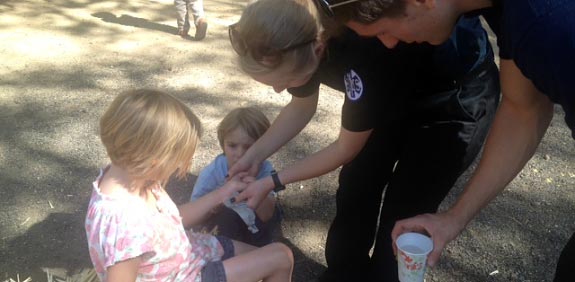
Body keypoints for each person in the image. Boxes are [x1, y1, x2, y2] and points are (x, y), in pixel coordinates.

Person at [227, 0, 500, 280]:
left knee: (405, 210)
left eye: (281, 81)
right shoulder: (300, 34)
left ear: (320, 49)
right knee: (357, 185)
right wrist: (253, 156)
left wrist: (272, 180)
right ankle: (344, 273)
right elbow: (301, 106)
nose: (278, 89)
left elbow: (346, 148)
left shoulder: (363, 49)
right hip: (389, 96)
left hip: (449, 101)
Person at [329, 0, 575, 280]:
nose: (387, 44)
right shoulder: (505, 12)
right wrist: (454, 218)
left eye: (385, 30)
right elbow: (524, 109)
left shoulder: (549, 22)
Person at [85, 89, 293, 281]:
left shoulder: (133, 175)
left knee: (267, 253)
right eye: (177, 160)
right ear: (153, 158)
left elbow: (172, 219)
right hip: (184, 276)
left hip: (189, 252)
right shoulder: (123, 222)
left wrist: (224, 191)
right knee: (281, 257)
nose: (178, 168)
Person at [191, 107, 283, 247]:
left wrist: (257, 190)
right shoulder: (212, 173)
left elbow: (267, 215)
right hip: (224, 226)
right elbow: (193, 215)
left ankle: (258, 250)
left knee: (275, 211)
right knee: (227, 217)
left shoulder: (265, 169)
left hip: (254, 222)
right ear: (223, 144)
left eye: (248, 147)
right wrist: (215, 204)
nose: (239, 154)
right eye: (232, 145)